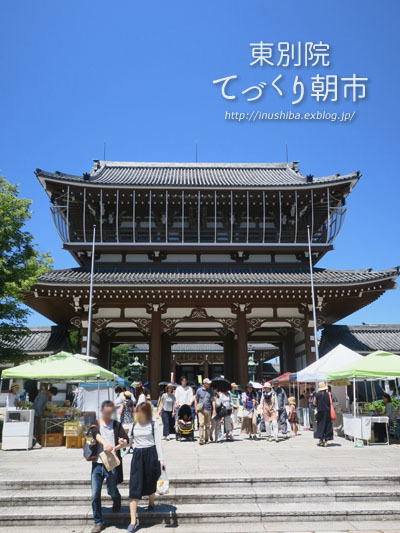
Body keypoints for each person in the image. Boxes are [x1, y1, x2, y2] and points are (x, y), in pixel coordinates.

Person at [89, 400, 128, 533]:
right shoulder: (96, 423)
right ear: (102, 411)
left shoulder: (117, 425)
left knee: (112, 490)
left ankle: (116, 499)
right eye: (106, 412)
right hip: (97, 464)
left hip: (111, 462)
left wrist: (122, 442)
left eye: (110, 412)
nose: (108, 414)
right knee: (95, 494)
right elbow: (95, 434)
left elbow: (125, 440)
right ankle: (98, 522)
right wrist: (105, 443)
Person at [128, 402, 164, 533]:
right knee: (134, 486)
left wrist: (161, 460)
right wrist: (121, 444)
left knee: (150, 481)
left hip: (151, 453)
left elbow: (158, 443)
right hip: (137, 455)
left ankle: (151, 503)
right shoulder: (134, 425)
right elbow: (128, 441)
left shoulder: (153, 424)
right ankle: (132, 521)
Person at [194, 378, 216, 445]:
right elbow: (195, 399)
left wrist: (214, 409)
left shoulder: (211, 391)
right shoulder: (199, 390)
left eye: (209, 383)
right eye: (208, 383)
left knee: (207, 425)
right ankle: (201, 439)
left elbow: (213, 400)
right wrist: (195, 408)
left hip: (208, 409)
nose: (209, 384)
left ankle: (207, 439)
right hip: (200, 410)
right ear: (204, 383)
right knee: (201, 424)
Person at [313, 382, 333, 447]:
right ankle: (325, 440)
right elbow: (330, 402)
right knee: (327, 425)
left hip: (320, 411)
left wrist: (318, 404)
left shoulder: (317, 394)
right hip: (327, 412)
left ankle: (322, 439)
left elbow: (314, 403)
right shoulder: (329, 394)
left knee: (321, 425)